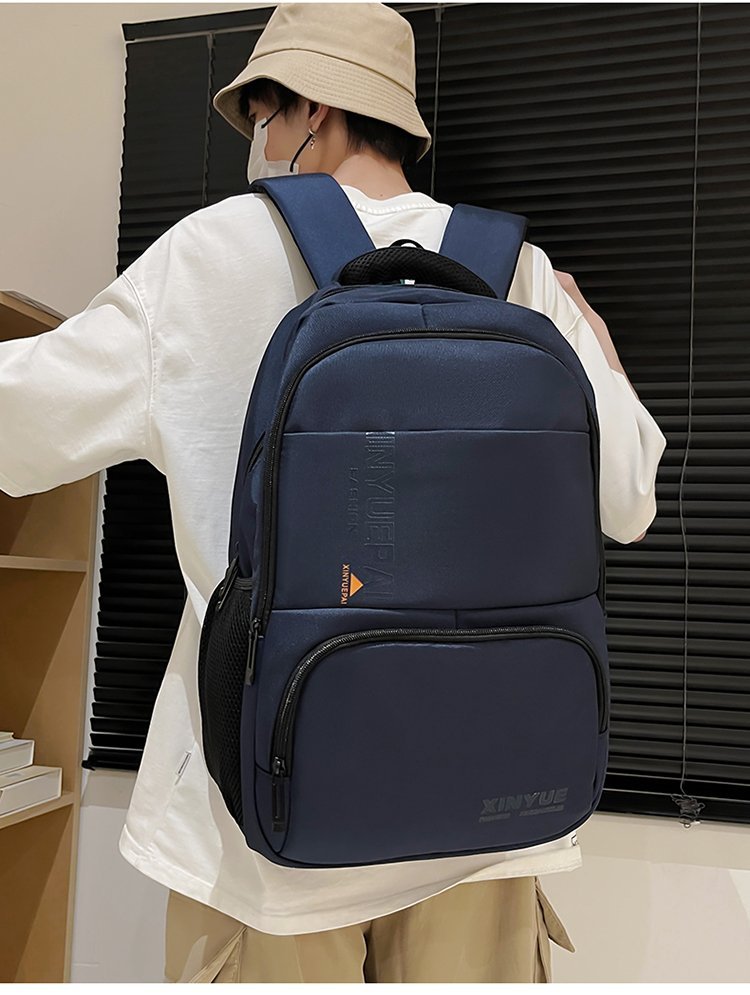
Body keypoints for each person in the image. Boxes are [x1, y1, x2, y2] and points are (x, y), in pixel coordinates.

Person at [0, 2, 667, 983]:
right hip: (488, 820)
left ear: (312, 107)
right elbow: (629, 501)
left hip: (269, 836)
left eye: (262, 118)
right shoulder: (518, 271)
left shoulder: (211, 253)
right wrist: (599, 347)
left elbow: (19, 426)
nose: (261, 147)